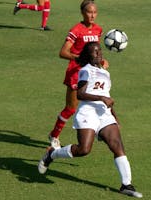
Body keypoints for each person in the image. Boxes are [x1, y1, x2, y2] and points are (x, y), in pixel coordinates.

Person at [38, 42, 143, 198]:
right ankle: (52, 154)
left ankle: (126, 185)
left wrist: (115, 117)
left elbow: (107, 97)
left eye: (99, 51)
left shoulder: (105, 73)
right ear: (88, 56)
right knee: (84, 150)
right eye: (95, 52)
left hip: (104, 114)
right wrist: (100, 98)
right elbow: (80, 94)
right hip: (88, 114)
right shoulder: (85, 71)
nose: (99, 54)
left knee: (117, 146)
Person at [48, 0, 109, 149]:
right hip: (76, 73)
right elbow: (63, 52)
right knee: (71, 108)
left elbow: (95, 50)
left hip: (92, 74)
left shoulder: (98, 30)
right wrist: (80, 58)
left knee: (96, 102)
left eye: (95, 12)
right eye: (89, 12)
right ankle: (54, 135)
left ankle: (98, 130)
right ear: (82, 13)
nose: (92, 15)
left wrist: (101, 60)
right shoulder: (76, 30)